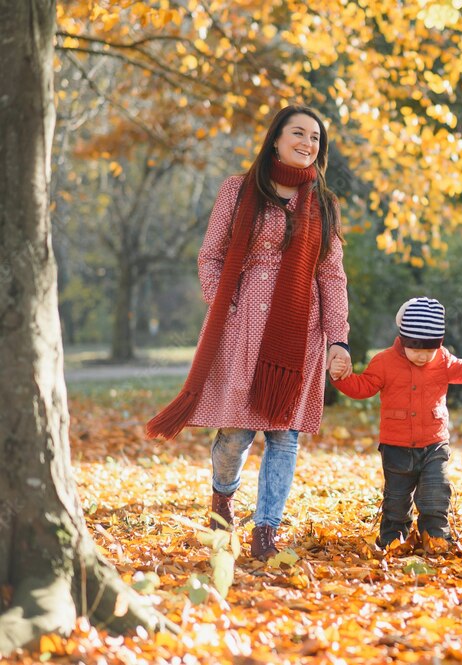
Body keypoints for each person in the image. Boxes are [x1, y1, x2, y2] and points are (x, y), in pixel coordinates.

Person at [147, 105, 352, 561]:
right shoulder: (237, 191)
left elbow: (332, 276)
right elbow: (210, 257)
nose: (307, 143)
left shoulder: (324, 204)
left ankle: (266, 531)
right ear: (275, 138)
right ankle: (224, 495)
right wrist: (227, 304)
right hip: (239, 328)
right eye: (298, 133)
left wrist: (338, 338)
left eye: (315, 138)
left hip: (301, 333)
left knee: (284, 436)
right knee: (236, 435)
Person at [332, 297, 462, 553]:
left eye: (429, 350)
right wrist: (340, 377)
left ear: (439, 344)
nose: (422, 356)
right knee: (396, 500)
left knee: (436, 493)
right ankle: (393, 538)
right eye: (416, 349)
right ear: (403, 340)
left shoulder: (442, 360)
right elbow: (362, 387)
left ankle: (436, 536)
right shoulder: (384, 362)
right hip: (396, 447)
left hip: (434, 444)